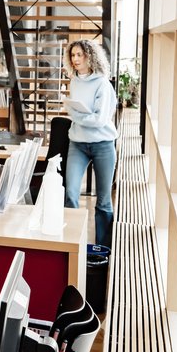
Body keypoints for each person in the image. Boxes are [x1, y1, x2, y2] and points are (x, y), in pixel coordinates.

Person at [63, 39, 118, 249]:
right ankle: (71, 245)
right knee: (70, 193)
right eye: (73, 55)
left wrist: (76, 115)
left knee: (103, 201)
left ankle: (103, 250)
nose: (75, 59)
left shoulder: (102, 83)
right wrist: (78, 114)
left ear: (90, 56)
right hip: (78, 144)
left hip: (103, 144)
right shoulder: (74, 81)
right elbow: (80, 113)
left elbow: (99, 120)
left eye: (80, 55)